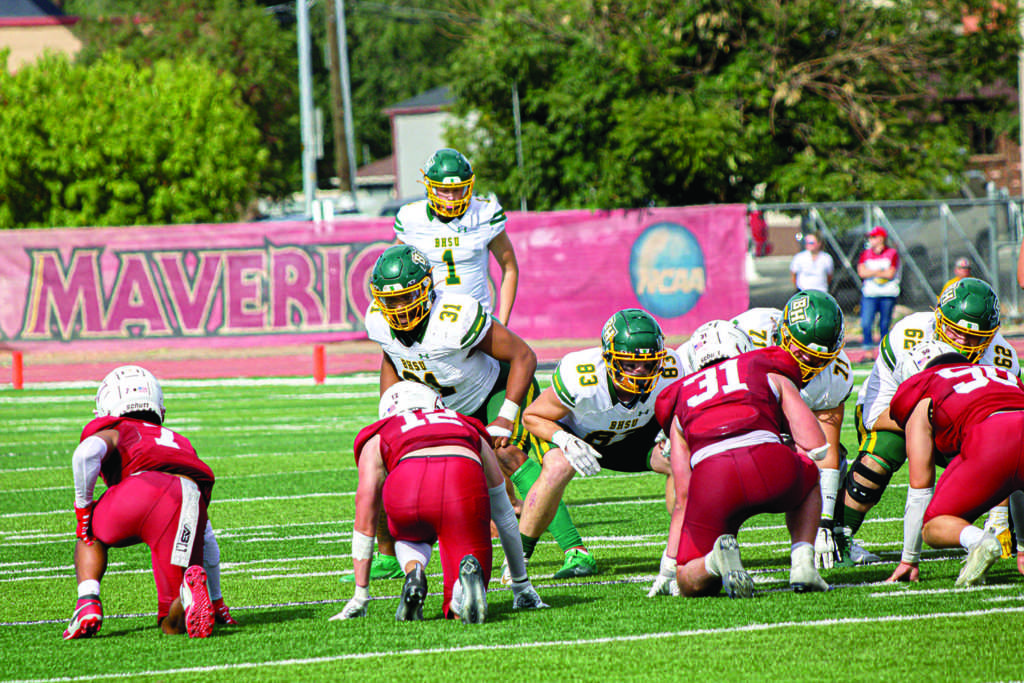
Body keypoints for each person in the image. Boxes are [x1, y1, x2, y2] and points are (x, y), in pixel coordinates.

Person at [363, 244, 593, 579]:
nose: (397, 308)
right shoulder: (378, 321)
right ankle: (389, 556)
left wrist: (505, 415)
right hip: (445, 404)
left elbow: (523, 356)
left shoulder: (453, 317)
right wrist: (390, 414)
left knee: (508, 454)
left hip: (493, 390)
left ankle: (576, 551)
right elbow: (392, 356)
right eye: (390, 300)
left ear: (427, 289)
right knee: (389, 463)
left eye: (406, 297)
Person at [836, 277, 1020, 560]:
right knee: (883, 452)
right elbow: (874, 413)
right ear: (938, 318)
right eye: (955, 331)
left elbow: (1007, 430)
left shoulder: (1002, 355)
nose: (963, 341)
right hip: (893, 414)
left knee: (1005, 448)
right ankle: (840, 536)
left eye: (974, 337)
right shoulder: (908, 336)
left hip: (961, 426)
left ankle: (1000, 528)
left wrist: (997, 514)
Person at [330, 382, 546, 622]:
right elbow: (504, 512)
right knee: (465, 601)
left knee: (409, 535)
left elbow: (365, 513)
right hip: (462, 483)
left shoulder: (381, 432)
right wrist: (521, 584)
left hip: (407, 490)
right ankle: (459, 596)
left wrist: (360, 594)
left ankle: (414, 571)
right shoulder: (465, 424)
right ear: (435, 403)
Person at [515, 309, 681, 585]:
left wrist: (669, 433)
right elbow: (532, 416)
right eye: (629, 365)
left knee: (682, 459)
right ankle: (517, 559)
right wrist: (565, 440)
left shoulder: (673, 369)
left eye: (648, 365)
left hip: (632, 438)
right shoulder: (582, 375)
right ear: (608, 359)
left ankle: (684, 548)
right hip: (579, 436)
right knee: (558, 466)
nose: (639, 374)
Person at [654, 340, 831, 598]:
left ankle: (714, 561)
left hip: (712, 483)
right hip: (769, 464)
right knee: (810, 475)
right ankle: (803, 562)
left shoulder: (680, 394)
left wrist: (669, 568)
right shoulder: (764, 367)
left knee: (690, 580)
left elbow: (682, 497)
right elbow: (816, 446)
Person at [63, 365, 221, 639]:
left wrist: (83, 509)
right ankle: (187, 598)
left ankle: (87, 601)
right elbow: (207, 537)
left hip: (141, 490)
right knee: (171, 623)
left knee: (89, 534)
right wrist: (217, 600)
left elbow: (85, 455)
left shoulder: (117, 427)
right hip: (188, 501)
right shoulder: (180, 442)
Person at [731, 290, 859, 568]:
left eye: (817, 358)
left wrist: (823, 522)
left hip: (786, 426)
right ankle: (712, 540)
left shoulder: (835, 375)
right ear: (782, 333)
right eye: (800, 350)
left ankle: (832, 535)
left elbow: (826, 450)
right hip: (740, 417)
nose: (806, 362)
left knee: (835, 458)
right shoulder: (749, 333)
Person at [885, 341, 1024, 586]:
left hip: (991, 440)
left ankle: (979, 540)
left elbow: (920, 486)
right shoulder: (1001, 375)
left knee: (934, 525)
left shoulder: (924, 388)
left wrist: (909, 560)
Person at [393, 148, 518, 326]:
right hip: (430, 322)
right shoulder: (412, 218)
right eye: (445, 190)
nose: (451, 198)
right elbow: (395, 273)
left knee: (521, 354)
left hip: (476, 320)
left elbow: (510, 269)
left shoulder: (484, 213)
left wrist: (503, 323)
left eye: (458, 189)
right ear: (430, 187)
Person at [857, 226, 901, 350]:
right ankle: (868, 351)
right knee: (866, 323)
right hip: (870, 294)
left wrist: (870, 272)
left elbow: (890, 273)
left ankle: (884, 352)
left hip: (887, 294)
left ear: (882, 238)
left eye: (874, 237)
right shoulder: (865, 254)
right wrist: (880, 271)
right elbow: (861, 272)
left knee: (884, 324)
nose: (871, 239)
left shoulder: (891, 253)